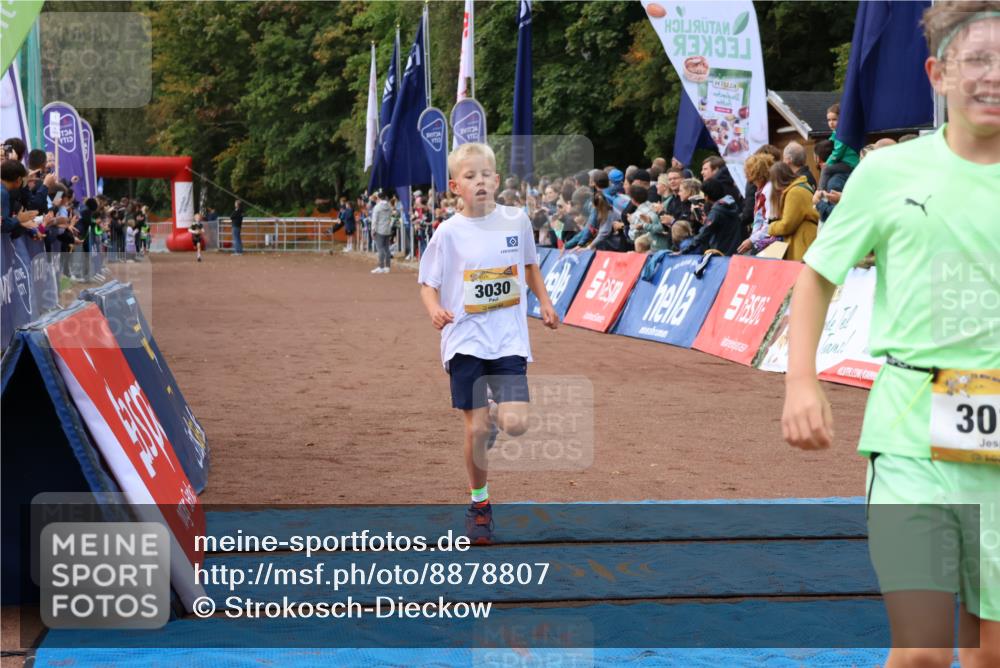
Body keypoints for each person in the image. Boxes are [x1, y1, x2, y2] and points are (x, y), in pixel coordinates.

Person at [782, 4, 999, 667]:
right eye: (977, 60)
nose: (994, 76)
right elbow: (815, 276)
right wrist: (800, 382)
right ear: (938, 74)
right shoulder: (887, 174)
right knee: (925, 651)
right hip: (910, 431)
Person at [417, 142, 558, 544]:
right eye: (469, 176)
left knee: (516, 423)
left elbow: (530, 265)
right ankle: (479, 504)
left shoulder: (515, 220)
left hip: (509, 339)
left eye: (485, 175)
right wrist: (433, 309)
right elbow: (428, 282)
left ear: (496, 180)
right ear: (454, 186)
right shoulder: (448, 232)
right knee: (475, 429)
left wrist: (545, 303)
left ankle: (497, 414)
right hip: (464, 340)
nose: (479, 182)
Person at [765, 162, 819, 261]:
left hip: (803, 242)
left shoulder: (794, 192)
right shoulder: (800, 187)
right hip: (807, 239)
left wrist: (771, 227)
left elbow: (787, 225)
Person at [818, 103, 860, 192]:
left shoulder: (843, 133)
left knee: (826, 170)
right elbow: (831, 142)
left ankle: (820, 192)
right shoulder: (837, 132)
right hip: (843, 162)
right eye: (829, 120)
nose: (831, 123)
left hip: (849, 163)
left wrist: (828, 163)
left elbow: (838, 151)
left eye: (834, 119)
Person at [370, 191, 393, 274]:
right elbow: (390, 216)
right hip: (387, 229)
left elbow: (374, 220)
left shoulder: (377, 207)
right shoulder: (389, 206)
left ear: (378, 198)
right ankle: (387, 267)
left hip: (379, 229)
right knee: (387, 248)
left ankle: (381, 267)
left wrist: (373, 230)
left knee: (380, 249)